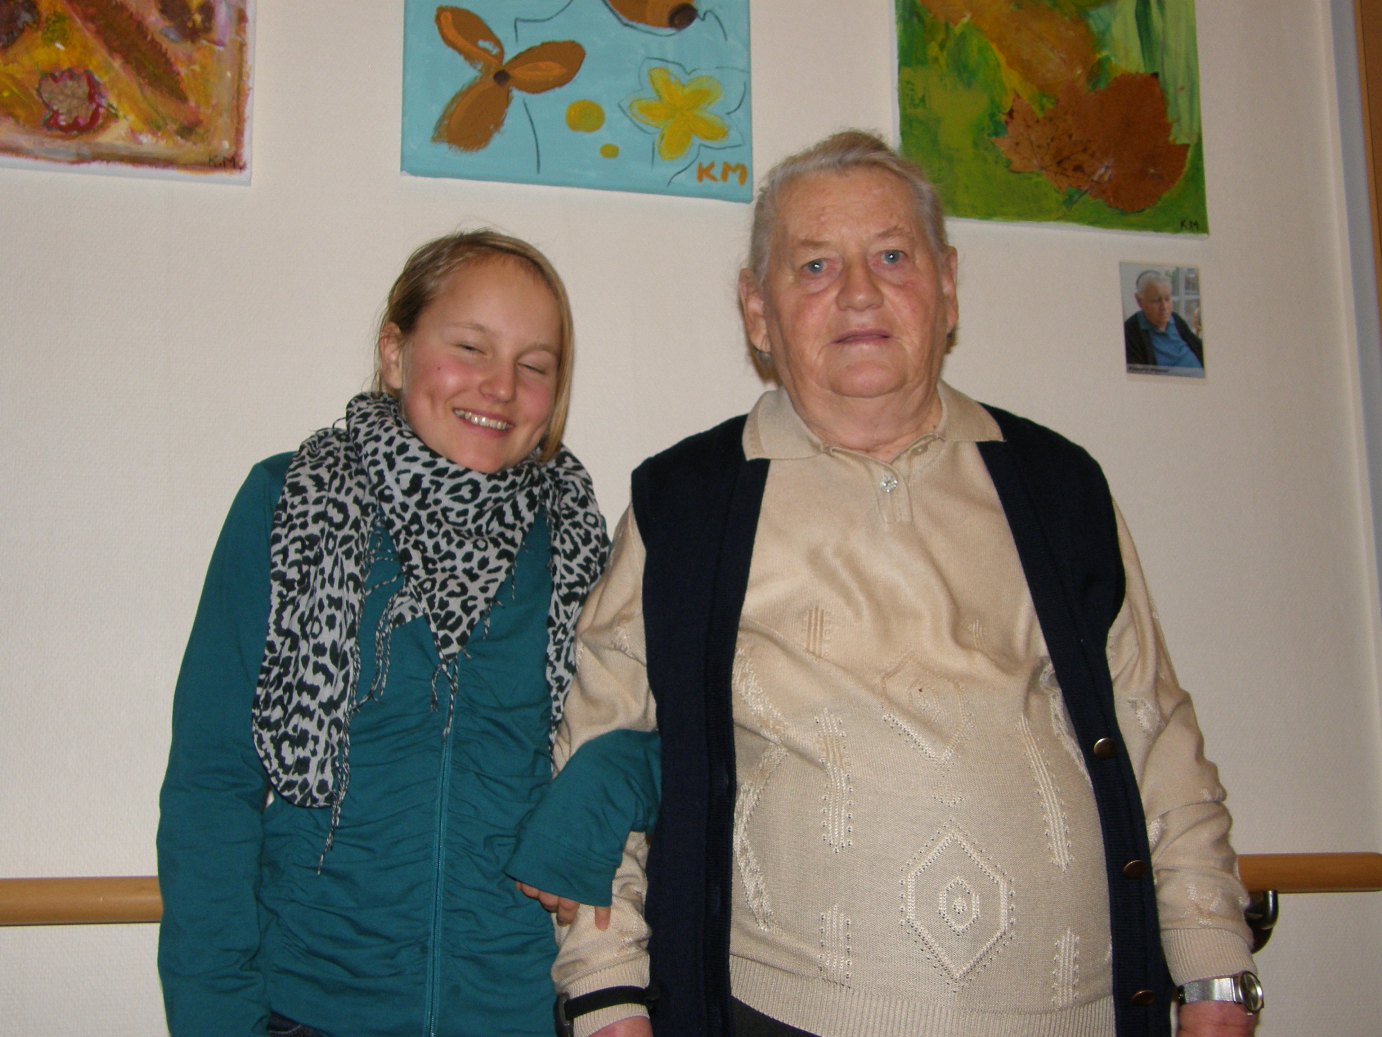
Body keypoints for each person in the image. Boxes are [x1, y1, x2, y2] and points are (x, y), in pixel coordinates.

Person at [546, 132, 1260, 1037]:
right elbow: (601, 757)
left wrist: (1215, 973)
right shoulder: (685, 505)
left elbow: (1159, 739)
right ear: (758, 311)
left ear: (947, 285)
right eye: (814, 265)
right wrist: (609, 997)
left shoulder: (1059, 487)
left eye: (891, 256)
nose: (858, 291)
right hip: (777, 1017)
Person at [156, 230, 614, 1036]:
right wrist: (215, 1017)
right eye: (470, 347)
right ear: (396, 354)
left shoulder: (576, 543)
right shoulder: (290, 504)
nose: (501, 386)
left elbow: (651, 728)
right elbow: (211, 783)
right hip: (308, 1006)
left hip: (517, 1011)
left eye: (535, 364)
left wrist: (599, 795)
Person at [1124, 270, 1204, 370]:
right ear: (1139, 301)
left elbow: (1199, 348)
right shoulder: (1130, 332)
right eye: (1156, 300)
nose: (1164, 307)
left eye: (1167, 299)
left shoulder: (1175, 318)